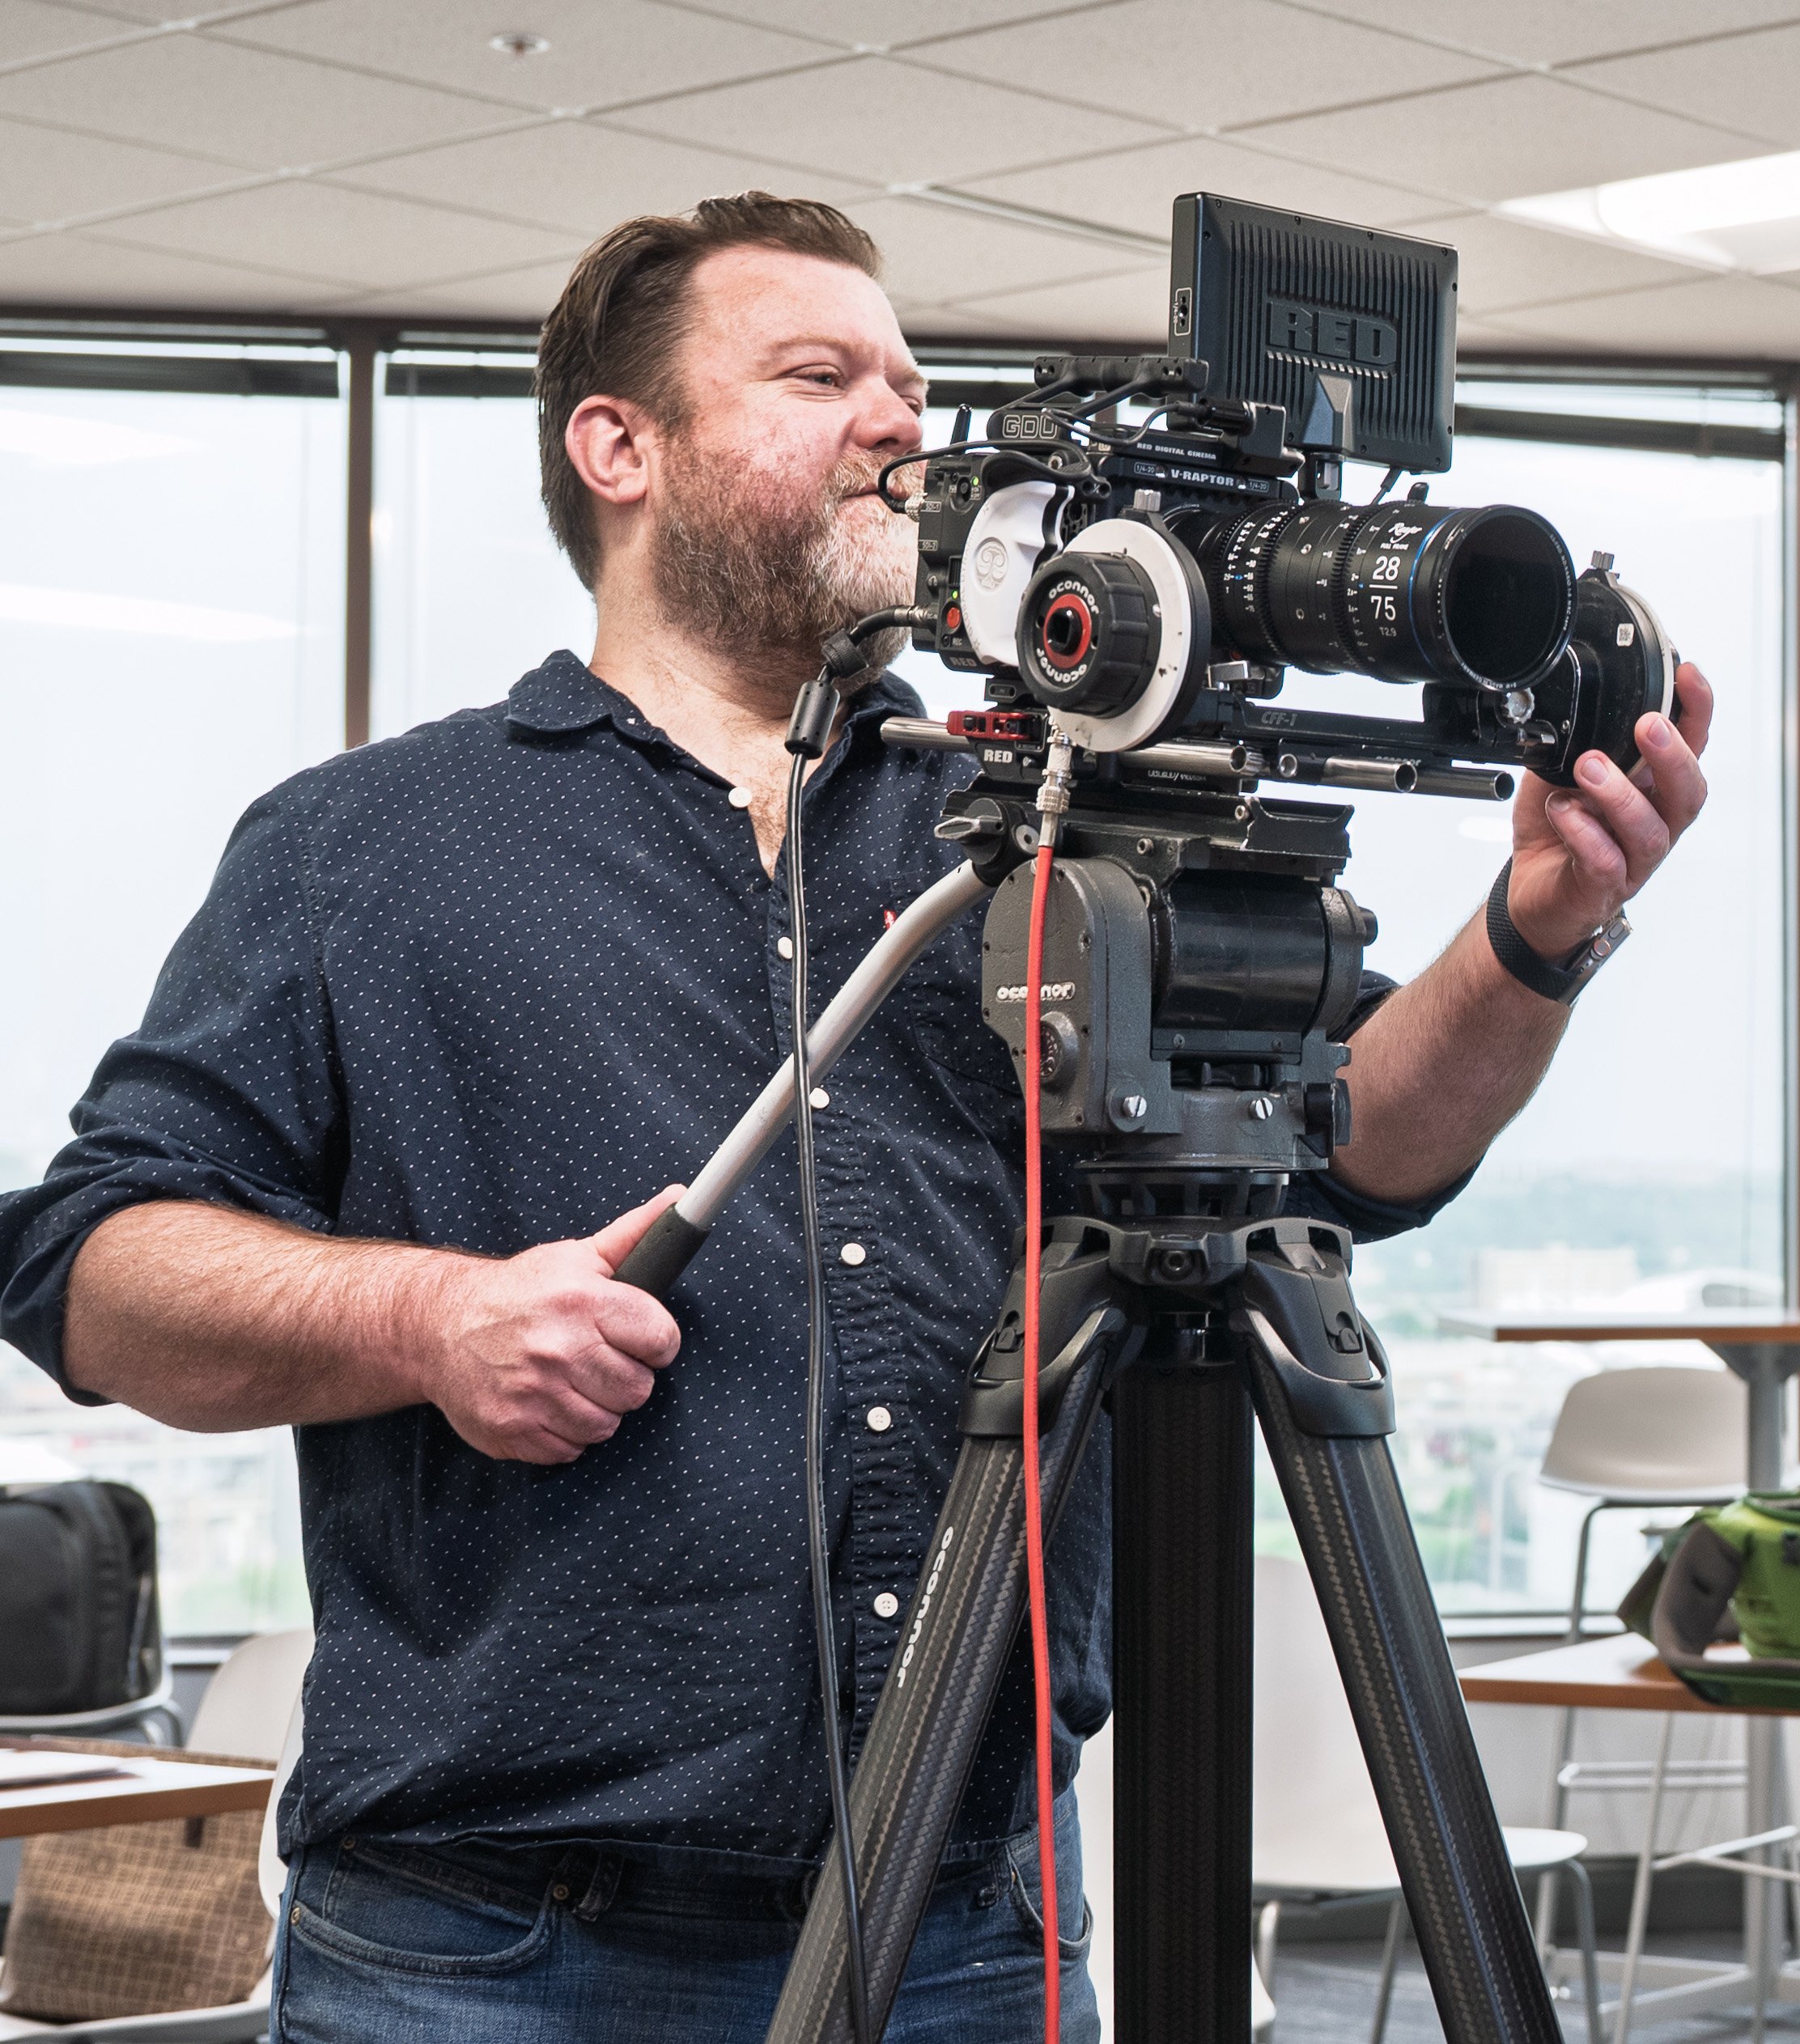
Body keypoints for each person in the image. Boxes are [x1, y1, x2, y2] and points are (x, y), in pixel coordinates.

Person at [0, 193, 1712, 2044]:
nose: (899, 422)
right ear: (621, 446)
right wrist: (431, 1323)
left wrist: (1540, 929)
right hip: (498, 1960)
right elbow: (93, 1267)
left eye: (912, 383)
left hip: (973, 1927)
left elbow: (1355, 1141)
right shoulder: (364, 849)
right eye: (817, 376)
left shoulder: (1042, 828)